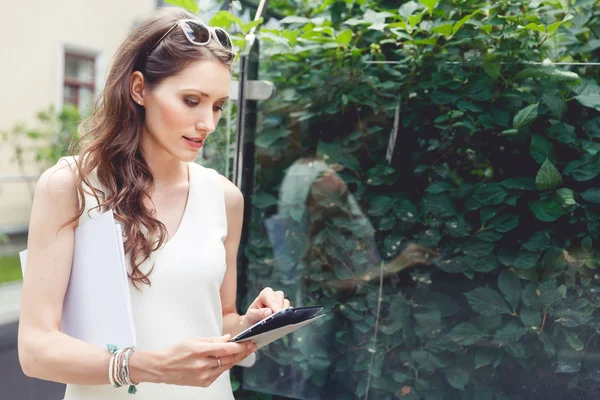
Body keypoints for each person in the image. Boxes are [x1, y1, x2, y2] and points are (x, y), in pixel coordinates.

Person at [17, 7, 290, 400]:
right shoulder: (71, 188)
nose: (208, 124)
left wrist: (252, 322)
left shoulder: (225, 198)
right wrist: (148, 365)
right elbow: (36, 349)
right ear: (139, 88)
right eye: (191, 100)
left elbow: (219, 320)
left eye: (217, 106)